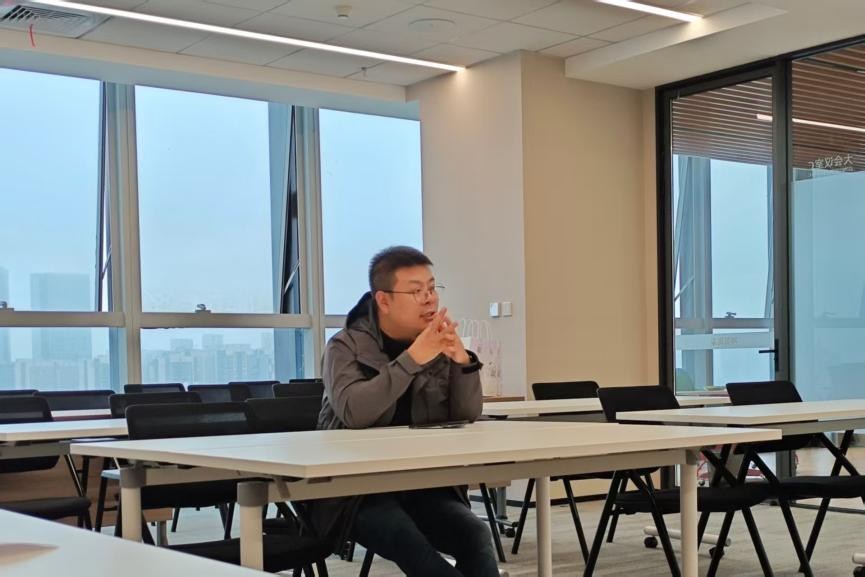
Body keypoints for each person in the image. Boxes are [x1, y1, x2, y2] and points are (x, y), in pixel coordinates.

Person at [313, 245, 500, 577]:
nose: (429, 299)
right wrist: (413, 359)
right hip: (355, 492)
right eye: (416, 292)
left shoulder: (435, 344)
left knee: (476, 534)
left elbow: (467, 414)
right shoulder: (344, 346)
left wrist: (462, 362)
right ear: (383, 300)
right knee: (409, 542)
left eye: (432, 289)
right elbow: (355, 412)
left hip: (422, 483)